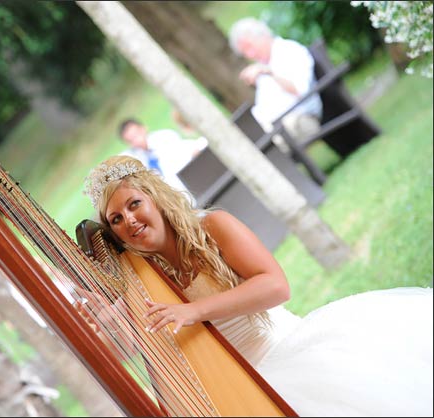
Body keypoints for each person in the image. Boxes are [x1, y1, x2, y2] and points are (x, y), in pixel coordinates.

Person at [82, 154, 433, 417]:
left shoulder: (214, 227)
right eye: (116, 219)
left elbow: (276, 286)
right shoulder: (142, 278)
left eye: (134, 204)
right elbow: (137, 347)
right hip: (234, 389)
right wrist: (112, 327)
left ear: (154, 198)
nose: (129, 219)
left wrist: (195, 310)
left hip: (286, 353)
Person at [229, 17, 323, 153]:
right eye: (245, 53)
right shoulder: (263, 67)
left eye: (250, 47)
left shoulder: (288, 51)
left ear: (262, 36)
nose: (250, 55)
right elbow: (263, 109)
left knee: (265, 143)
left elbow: (301, 91)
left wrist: (269, 73)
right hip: (276, 126)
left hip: (302, 120)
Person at [118, 118, 207, 197]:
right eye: (131, 140)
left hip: (189, 186)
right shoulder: (136, 158)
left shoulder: (165, 138)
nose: (137, 141)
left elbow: (192, 149)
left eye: (136, 135)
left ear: (143, 128)